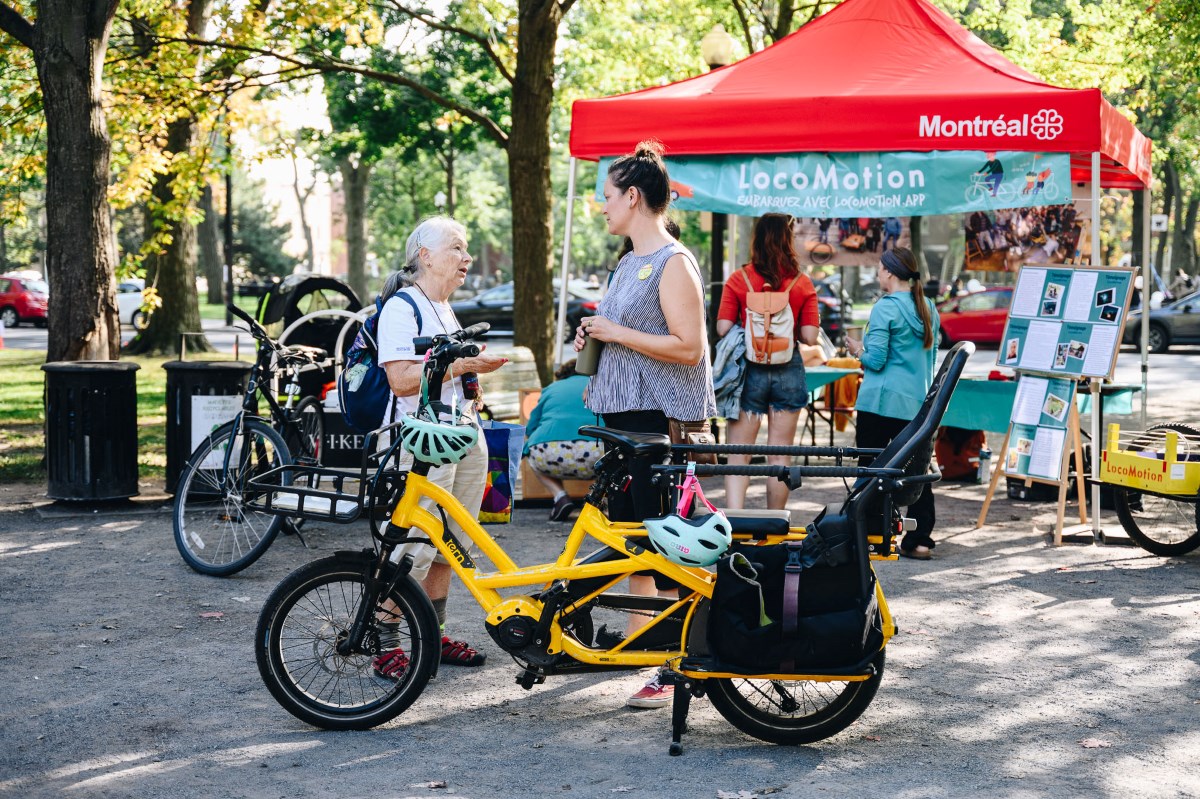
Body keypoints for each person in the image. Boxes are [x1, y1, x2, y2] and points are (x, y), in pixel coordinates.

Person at [574, 140, 715, 709]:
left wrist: (616, 333)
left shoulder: (673, 262)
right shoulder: (630, 262)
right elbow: (630, 335)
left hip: (658, 424)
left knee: (665, 547)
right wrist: (596, 335)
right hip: (627, 421)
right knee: (638, 543)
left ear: (633, 197)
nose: (601, 206)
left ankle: (679, 662)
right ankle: (647, 652)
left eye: (607, 196)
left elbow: (689, 348)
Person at [374, 215, 508, 674]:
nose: (467, 257)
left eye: (466, 248)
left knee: (452, 541)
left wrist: (471, 380)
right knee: (416, 543)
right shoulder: (401, 308)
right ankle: (386, 641)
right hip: (424, 440)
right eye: (456, 247)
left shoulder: (445, 307)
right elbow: (401, 380)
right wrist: (463, 367)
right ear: (424, 256)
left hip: (462, 434)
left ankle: (432, 636)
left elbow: (445, 369)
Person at [716, 213, 820, 510]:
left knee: (739, 454)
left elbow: (723, 328)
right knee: (779, 455)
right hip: (788, 371)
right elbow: (811, 336)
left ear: (756, 239)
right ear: (789, 240)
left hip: (748, 370)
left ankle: (734, 523)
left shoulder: (740, 278)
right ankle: (774, 523)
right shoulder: (802, 283)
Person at [844, 247, 939, 560]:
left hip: (880, 400)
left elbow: (877, 360)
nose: (877, 273)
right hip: (915, 404)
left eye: (880, 268)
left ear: (890, 272)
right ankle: (921, 539)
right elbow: (932, 357)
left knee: (870, 465)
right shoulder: (928, 306)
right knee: (916, 470)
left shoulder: (885, 308)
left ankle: (867, 530)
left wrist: (857, 348)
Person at [522, 359, 604, 522]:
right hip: (596, 452)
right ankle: (602, 501)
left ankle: (560, 497)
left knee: (532, 451)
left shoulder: (551, 388)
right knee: (613, 462)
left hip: (548, 453)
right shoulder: (601, 385)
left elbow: (531, 428)